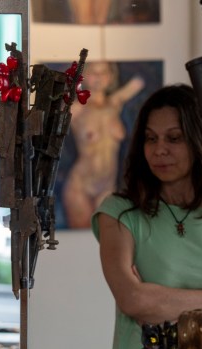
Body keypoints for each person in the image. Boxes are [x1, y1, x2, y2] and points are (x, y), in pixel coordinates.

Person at [91, 84, 202, 349]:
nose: (160, 150)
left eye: (174, 138)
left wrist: (161, 302)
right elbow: (133, 300)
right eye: (151, 138)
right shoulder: (120, 211)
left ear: (199, 142)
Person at [62, 61, 144, 228]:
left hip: (107, 187)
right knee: (81, 241)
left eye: (104, 72)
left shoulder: (114, 104)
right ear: (84, 77)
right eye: (93, 71)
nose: (99, 77)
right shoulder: (76, 109)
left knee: (107, 241)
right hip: (80, 186)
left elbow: (139, 82)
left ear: (111, 77)